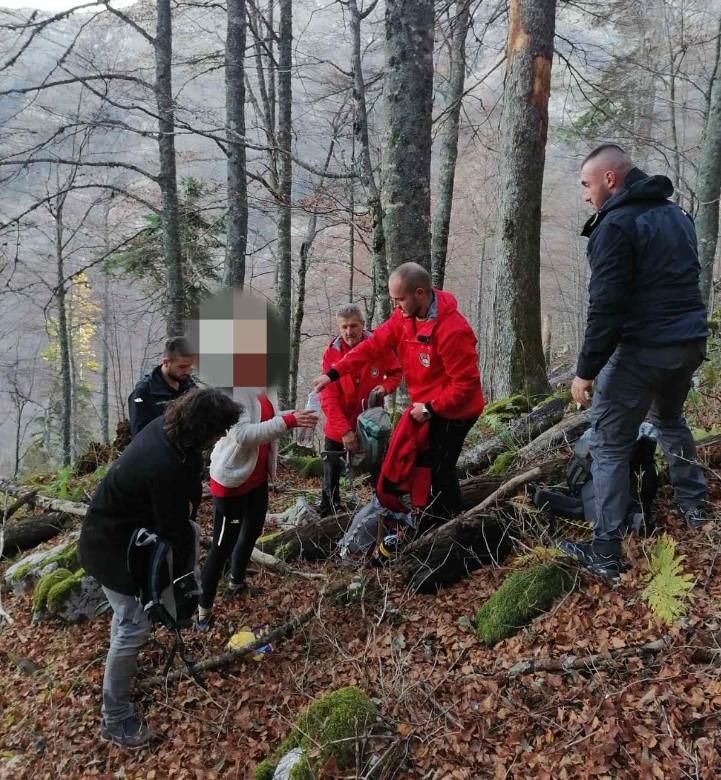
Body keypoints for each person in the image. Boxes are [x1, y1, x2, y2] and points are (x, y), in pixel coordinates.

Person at [560, 144, 710, 581]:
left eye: (587, 185)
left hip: (643, 349)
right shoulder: (677, 215)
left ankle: (605, 550)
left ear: (610, 179)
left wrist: (585, 371)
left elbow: (606, 308)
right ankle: (695, 509)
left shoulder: (616, 226)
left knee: (608, 443)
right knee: (670, 421)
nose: (586, 196)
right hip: (688, 344)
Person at [78, 389, 240, 748]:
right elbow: (174, 532)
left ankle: (118, 684)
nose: (221, 438)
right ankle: (115, 718)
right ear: (201, 429)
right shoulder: (162, 462)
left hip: (122, 535)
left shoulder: (168, 429)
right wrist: (182, 598)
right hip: (111, 547)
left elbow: (181, 518)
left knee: (131, 619)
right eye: (217, 431)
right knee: (132, 623)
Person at [313, 262, 485, 522]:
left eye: (400, 299)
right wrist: (334, 373)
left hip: (455, 411)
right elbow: (372, 346)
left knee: (440, 467)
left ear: (419, 293)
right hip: (426, 406)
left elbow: (465, 385)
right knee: (424, 465)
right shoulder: (403, 318)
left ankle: (451, 523)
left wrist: (429, 408)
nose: (396, 306)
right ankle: (433, 515)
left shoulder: (452, 330)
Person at [196, 387, 318, 630]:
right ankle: (203, 612)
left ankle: (236, 583)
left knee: (251, 531)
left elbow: (266, 416)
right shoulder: (234, 391)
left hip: (257, 477)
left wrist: (293, 415)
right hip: (232, 480)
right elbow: (242, 434)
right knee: (222, 548)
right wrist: (288, 421)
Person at [318, 303, 402, 516]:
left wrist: (386, 387)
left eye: (353, 326)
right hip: (339, 424)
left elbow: (395, 373)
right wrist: (345, 431)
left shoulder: (379, 346)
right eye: (344, 327)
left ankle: (382, 508)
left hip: (371, 423)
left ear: (363, 325)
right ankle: (329, 513)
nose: (349, 332)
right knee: (331, 473)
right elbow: (328, 397)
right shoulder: (332, 353)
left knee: (379, 468)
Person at [128, 336, 197, 437]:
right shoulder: (144, 392)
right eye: (182, 367)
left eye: (190, 366)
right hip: (159, 450)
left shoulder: (189, 386)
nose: (187, 371)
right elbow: (140, 436)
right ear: (166, 362)